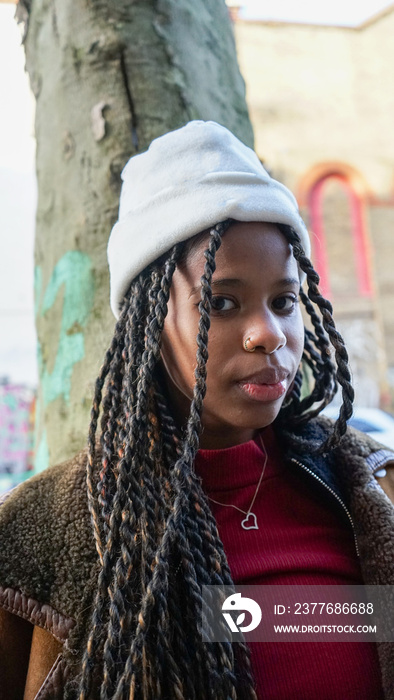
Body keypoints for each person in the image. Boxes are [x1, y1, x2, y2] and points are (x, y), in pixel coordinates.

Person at [1, 120, 394, 700]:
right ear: (146, 326)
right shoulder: (40, 528)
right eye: (223, 303)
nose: (268, 334)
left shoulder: (372, 486)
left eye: (284, 301)